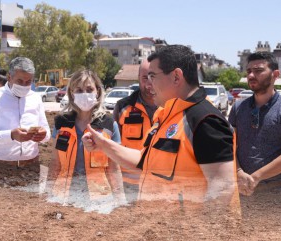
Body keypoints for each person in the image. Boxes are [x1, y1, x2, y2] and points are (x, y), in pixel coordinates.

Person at [83, 45, 239, 213]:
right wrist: (104, 145)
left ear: (176, 77)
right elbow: (144, 161)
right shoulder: (166, 115)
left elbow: (223, 187)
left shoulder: (205, 120)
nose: (148, 84)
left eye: (152, 76)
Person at [228, 52, 281, 222]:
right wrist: (238, 172)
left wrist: (255, 178)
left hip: (276, 194)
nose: (251, 75)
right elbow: (230, 145)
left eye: (258, 70)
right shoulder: (238, 108)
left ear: (275, 75)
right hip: (242, 192)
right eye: (249, 71)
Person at [47, 69, 125, 212]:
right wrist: (48, 192)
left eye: (89, 89)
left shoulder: (109, 124)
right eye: (79, 90)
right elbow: (55, 162)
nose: (84, 94)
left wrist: (120, 199)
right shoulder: (61, 123)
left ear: (98, 92)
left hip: (99, 200)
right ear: (71, 93)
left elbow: (113, 167)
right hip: (64, 198)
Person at [0, 57, 50, 190]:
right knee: (1, 208)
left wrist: (43, 135)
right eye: (20, 81)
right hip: (1, 167)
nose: (24, 85)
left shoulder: (35, 98)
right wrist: (11, 135)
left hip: (31, 166)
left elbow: (46, 132)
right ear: (9, 77)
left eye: (28, 81)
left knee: (30, 209)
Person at [112, 59, 157, 203]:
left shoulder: (171, 108)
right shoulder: (123, 107)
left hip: (161, 186)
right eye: (145, 78)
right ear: (138, 78)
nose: (149, 83)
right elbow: (114, 146)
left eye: (153, 77)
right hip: (129, 187)